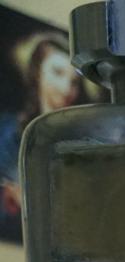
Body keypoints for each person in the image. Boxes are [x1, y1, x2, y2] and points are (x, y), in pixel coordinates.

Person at [0, 33, 83, 238]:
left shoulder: (79, 146)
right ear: (37, 72)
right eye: (57, 72)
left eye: (74, 82)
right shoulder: (7, 130)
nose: (66, 89)